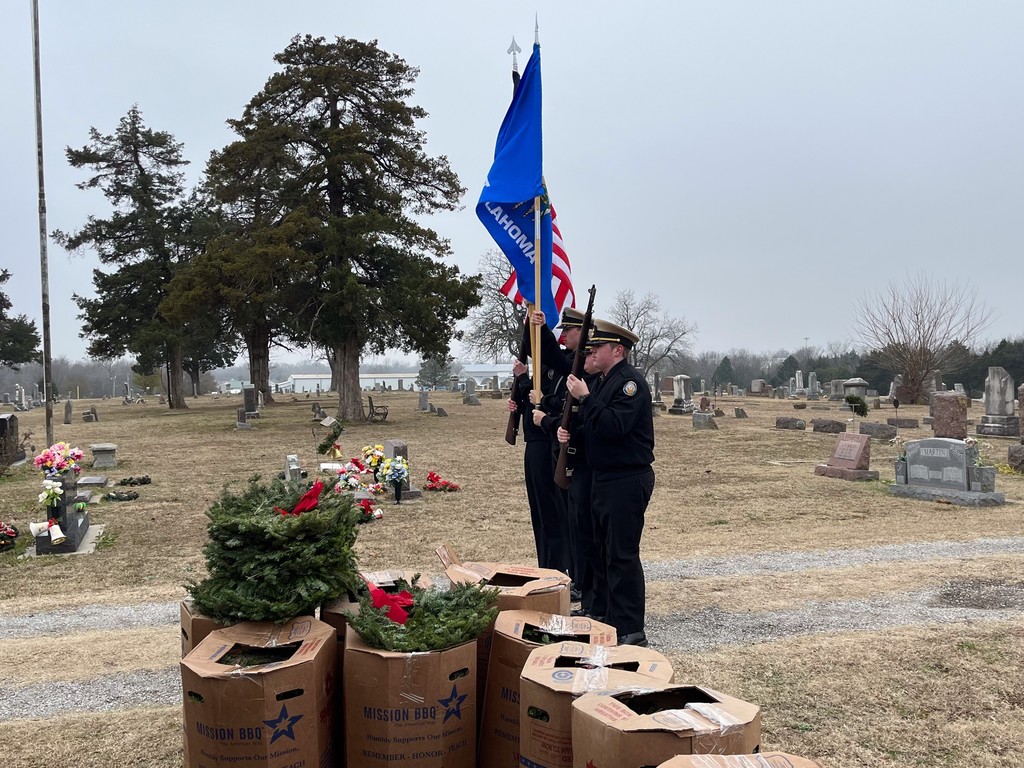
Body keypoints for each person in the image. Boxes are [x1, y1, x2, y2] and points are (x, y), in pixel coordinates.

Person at [558, 319, 655, 646]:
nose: (591, 353)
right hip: (604, 477)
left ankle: (630, 629)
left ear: (617, 350)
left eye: (597, 347)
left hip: (627, 479)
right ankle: (607, 617)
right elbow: (595, 429)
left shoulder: (630, 384)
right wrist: (570, 433)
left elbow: (615, 426)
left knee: (621, 554)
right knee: (600, 552)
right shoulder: (602, 383)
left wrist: (586, 399)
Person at [507, 315, 570, 573]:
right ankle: (546, 564)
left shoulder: (562, 366)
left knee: (552, 511)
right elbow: (533, 403)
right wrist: (519, 403)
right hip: (534, 441)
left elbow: (546, 401)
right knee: (540, 513)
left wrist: (523, 381)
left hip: (546, 443)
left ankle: (556, 567)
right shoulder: (544, 367)